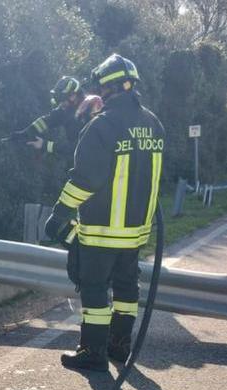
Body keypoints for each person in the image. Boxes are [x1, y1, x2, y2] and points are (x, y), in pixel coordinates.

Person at [43, 54, 164, 372]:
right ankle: (119, 346)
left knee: (94, 287)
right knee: (126, 288)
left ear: (107, 88)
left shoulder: (102, 126)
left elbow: (86, 180)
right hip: (136, 231)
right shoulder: (153, 124)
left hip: (102, 229)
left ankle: (93, 352)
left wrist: (60, 213)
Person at [8, 76, 103, 168]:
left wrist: (45, 145)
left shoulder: (90, 110)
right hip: (79, 162)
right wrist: (26, 133)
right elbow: (48, 120)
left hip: (95, 164)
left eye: (63, 100)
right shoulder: (68, 109)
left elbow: (78, 148)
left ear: (73, 96)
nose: (61, 105)